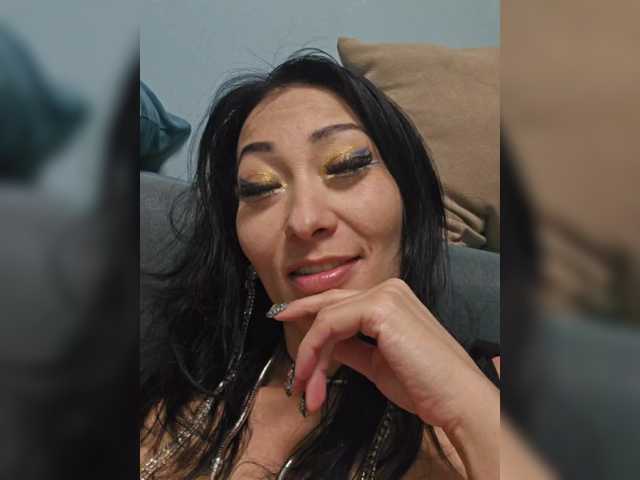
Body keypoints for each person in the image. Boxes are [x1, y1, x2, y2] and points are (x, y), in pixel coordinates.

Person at [140, 51, 499, 479]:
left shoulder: (499, 391)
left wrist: (467, 409)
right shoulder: (172, 397)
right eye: (260, 188)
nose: (304, 220)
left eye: (347, 165)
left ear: (409, 200)